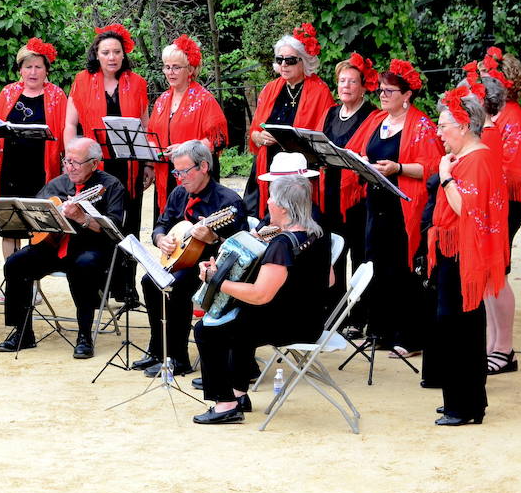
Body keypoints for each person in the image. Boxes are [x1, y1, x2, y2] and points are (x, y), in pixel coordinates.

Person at [191, 175, 334, 424]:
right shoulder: (317, 232)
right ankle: (238, 393)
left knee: (207, 329)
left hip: (289, 326)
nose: (267, 202)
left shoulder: (282, 244)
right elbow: (329, 280)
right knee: (240, 319)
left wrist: (215, 281)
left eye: (271, 198)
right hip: (311, 320)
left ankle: (226, 404)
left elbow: (260, 295)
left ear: (284, 208)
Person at [339, 60, 442, 360]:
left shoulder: (422, 125)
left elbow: (432, 168)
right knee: (377, 265)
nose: (382, 95)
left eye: (389, 91)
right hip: (376, 202)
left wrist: (398, 168)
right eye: (381, 89)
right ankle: (381, 330)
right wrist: (361, 162)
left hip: (403, 205)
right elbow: (356, 150)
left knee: (403, 268)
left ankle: (410, 336)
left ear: (407, 95)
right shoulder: (376, 121)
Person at [0, 138, 125, 359]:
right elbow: (34, 215)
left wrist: (83, 218)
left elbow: (113, 228)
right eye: (67, 161)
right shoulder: (56, 184)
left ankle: (84, 335)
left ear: (94, 164)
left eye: (76, 162)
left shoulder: (111, 185)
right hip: (52, 247)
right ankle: (23, 331)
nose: (69, 167)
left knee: (83, 265)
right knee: (15, 263)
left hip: (91, 248)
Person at [426, 87, 507, 425]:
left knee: (457, 327)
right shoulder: (474, 156)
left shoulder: (476, 159)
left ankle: (463, 405)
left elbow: (467, 211)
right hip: (456, 251)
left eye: (444, 126)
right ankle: (466, 400)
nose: (439, 132)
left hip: (462, 255)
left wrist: (445, 178)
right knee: (463, 327)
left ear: (463, 126)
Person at [134, 140, 248, 378]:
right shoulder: (179, 193)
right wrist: (160, 239)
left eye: (184, 171)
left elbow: (242, 248)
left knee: (176, 286)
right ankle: (158, 350)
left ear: (204, 166)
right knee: (148, 281)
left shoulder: (228, 202)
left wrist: (213, 238)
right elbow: (161, 225)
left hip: (211, 269)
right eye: (176, 172)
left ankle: (179, 357)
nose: (180, 178)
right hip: (178, 262)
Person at [64, 23, 150, 302]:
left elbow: (146, 127)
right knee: (98, 224)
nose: (112, 57)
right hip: (95, 167)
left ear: (124, 55)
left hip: (129, 165)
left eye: (117, 52)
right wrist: (72, 159)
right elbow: (70, 124)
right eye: (106, 52)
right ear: (96, 55)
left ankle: (127, 285)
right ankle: (100, 284)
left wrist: (148, 164)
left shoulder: (137, 83)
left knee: (129, 225)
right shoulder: (81, 81)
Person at [479, 48, 521, 375]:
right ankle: (493, 344)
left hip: (505, 204)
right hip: (492, 202)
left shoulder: (514, 119)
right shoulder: (499, 115)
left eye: (484, 83)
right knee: (490, 276)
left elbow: (514, 172)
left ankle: (505, 348)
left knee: (496, 276)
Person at [0, 37, 67, 261]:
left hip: (42, 170)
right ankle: (13, 281)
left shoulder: (57, 96)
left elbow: (64, 131)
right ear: (20, 70)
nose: (33, 72)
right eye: (28, 67)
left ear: (46, 70)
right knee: (10, 228)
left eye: (38, 67)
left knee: (38, 228)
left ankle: (31, 286)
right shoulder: (8, 93)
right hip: (10, 169)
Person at [245, 24, 334, 217]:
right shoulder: (271, 88)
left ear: (304, 61)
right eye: (280, 59)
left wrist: (286, 139)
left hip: (299, 172)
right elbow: (254, 131)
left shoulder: (320, 91)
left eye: (290, 60)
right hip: (267, 165)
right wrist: (260, 137)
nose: (284, 65)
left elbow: (324, 137)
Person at [144, 35, 228, 219]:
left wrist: (187, 148)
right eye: (167, 67)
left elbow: (218, 139)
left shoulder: (204, 99)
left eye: (176, 67)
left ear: (190, 69)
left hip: (195, 175)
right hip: (165, 174)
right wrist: (150, 160)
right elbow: (151, 136)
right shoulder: (162, 100)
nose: (170, 72)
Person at [319, 54, 378, 310]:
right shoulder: (331, 113)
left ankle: (361, 313)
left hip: (358, 194)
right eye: (342, 80)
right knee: (334, 253)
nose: (345, 86)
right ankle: (337, 310)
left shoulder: (372, 115)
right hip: (330, 190)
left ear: (363, 86)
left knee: (359, 254)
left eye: (352, 82)